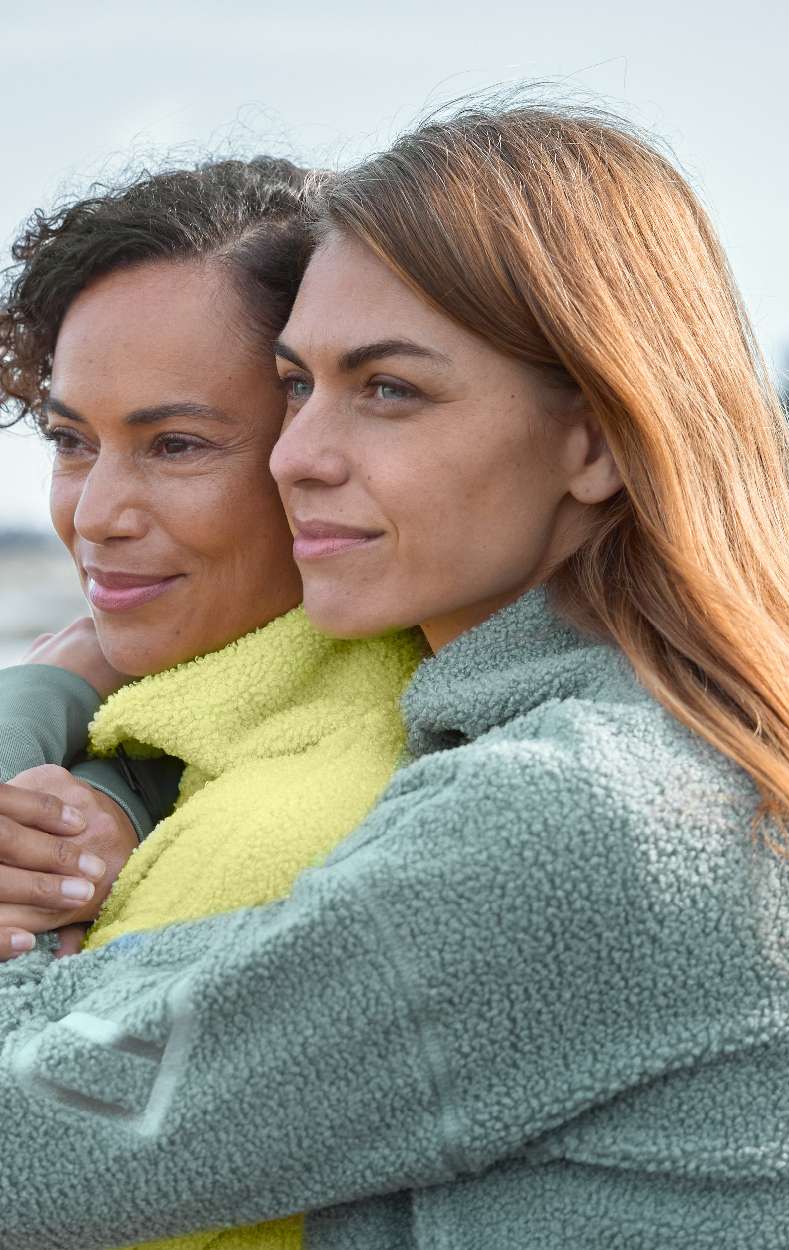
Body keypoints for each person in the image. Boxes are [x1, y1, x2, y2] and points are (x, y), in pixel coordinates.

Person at [0, 100, 789, 1250]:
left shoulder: (585, 814)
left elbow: (31, 1142)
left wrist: (32, 718)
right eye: (297, 385)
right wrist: (117, 782)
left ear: (597, 438)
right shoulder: (647, 743)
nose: (298, 454)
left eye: (388, 389)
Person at [0, 158, 424, 1250]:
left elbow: (45, 1165)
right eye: (70, 440)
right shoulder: (190, 748)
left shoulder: (280, 834)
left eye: (177, 445)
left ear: (315, 447)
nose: (96, 513)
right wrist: (110, 771)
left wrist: (40, 696)